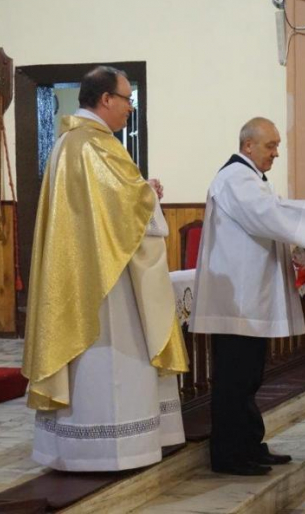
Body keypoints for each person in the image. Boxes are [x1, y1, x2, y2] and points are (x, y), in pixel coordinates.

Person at [22, 66, 188, 471]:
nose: (130, 107)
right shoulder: (91, 145)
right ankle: (105, 451)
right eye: (127, 98)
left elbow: (110, 203)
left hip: (89, 272)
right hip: (104, 283)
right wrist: (145, 197)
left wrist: (141, 192)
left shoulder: (72, 143)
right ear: (105, 99)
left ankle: (83, 448)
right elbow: (119, 208)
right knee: (111, 362)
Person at [190, 117, 305, 477]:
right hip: (238, 303)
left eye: (277, 145)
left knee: (249, 378)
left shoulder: (250, 179)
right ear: (248, 145)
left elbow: (273, 211)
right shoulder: (234, 178)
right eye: (270, 145)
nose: (276, 153)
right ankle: (231, 455)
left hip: (249, 300)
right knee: (235, 379)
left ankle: (249, 444)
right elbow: (267, 214)